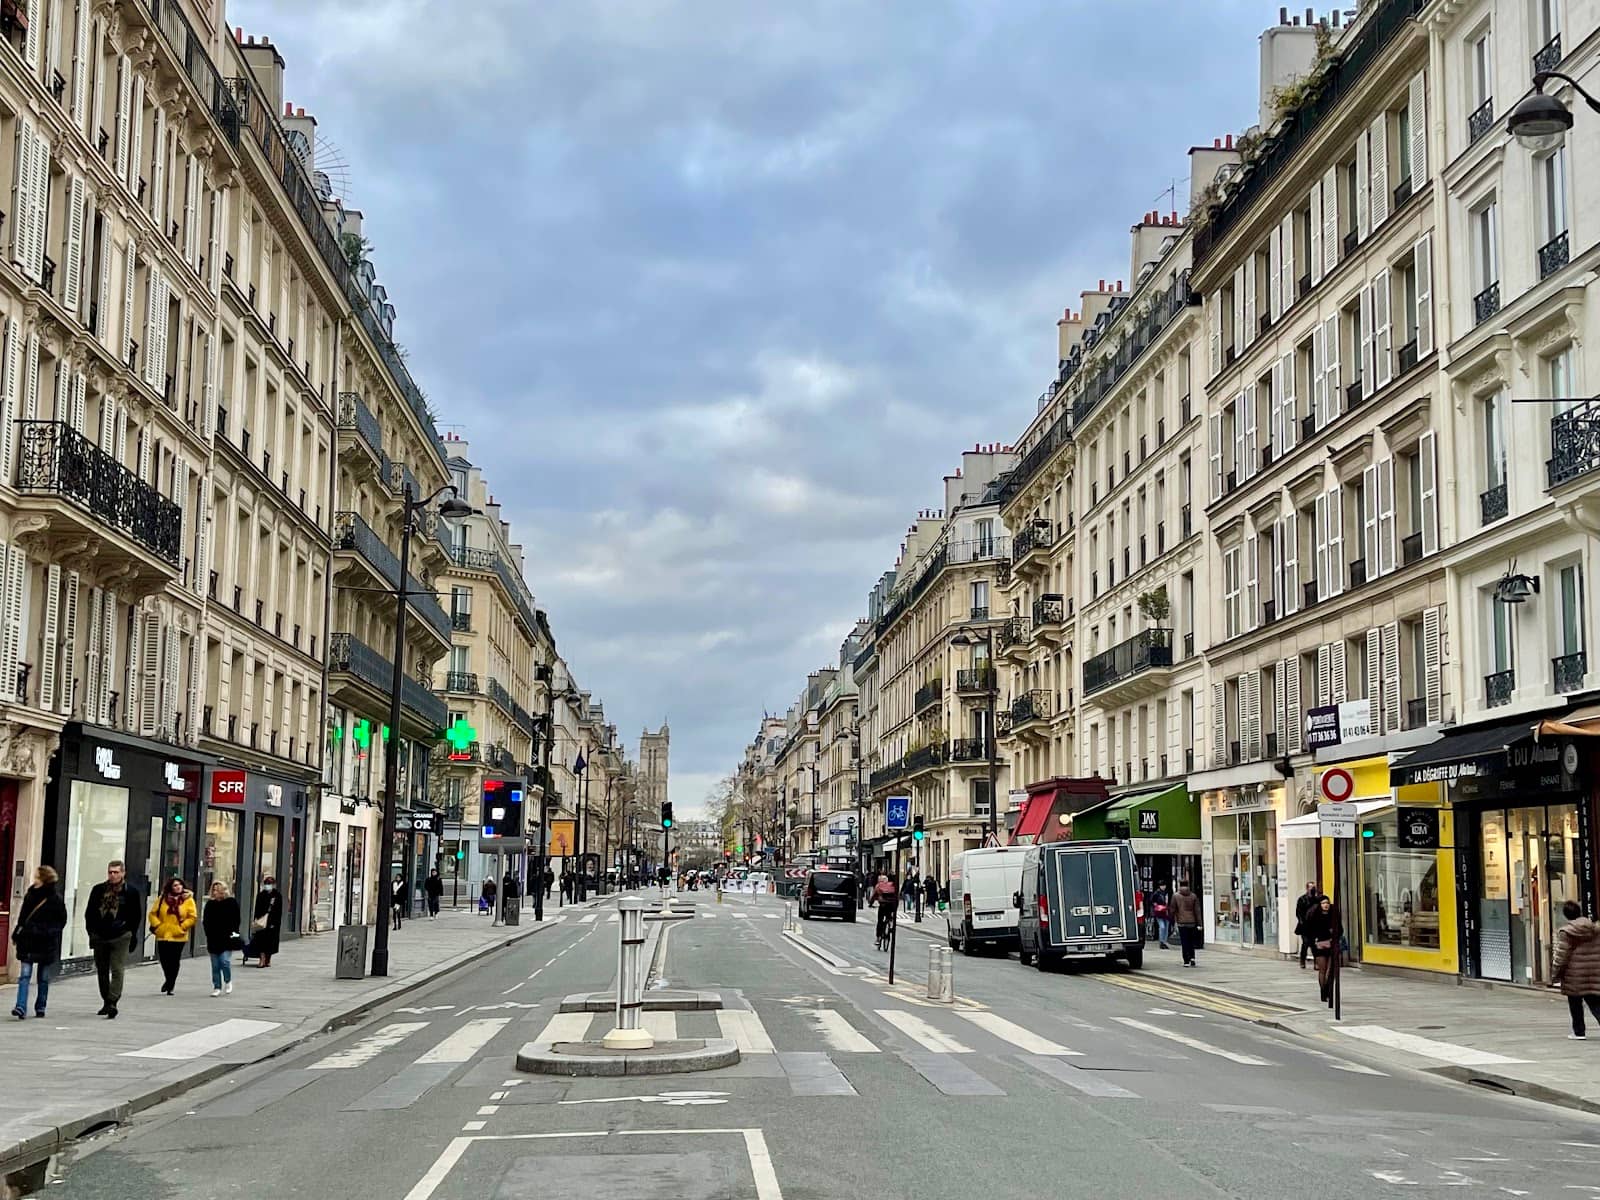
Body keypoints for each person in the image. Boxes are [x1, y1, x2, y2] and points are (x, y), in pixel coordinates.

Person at [85, 860, 141, 1019]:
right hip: (100, 935)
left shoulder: (131, 892)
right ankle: (106, 1000)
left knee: (117, 968)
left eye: (116, 872)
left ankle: (113, 1001)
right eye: (110, 872)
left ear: (123, 873)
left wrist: (131, 933)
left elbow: (136, 915)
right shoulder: (98, 890)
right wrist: (92, 932)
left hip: (121, 935)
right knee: (102, 970)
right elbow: (90, 913)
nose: (113, 875)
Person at [10, 866, 66, 1019]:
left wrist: (47, 931)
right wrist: (17, 933)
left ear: (44, 879)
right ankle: (20, 1006)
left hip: (46, 942)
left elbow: (61, 921)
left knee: (43, 977)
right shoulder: (30, 895)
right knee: (25, 975)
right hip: (28, 940)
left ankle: (40, 1006)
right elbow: (23, 917)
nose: (34, 879)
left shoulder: (55, 899)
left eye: (37, 877)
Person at [1550, 899, 1600, 1040]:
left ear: (1566, 915)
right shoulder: (1595, 929)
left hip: (1574, 974)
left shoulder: (1566, 932)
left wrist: (1555, 974)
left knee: (1575, 1003)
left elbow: (1561, 955)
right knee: (1595, 1003)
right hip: (1594, 971)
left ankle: (1579, 1032)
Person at [148, 877, 198, 995]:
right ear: (170, 887)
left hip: (178, 935)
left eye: (180, 885)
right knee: (164, 959)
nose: (178, 887)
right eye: (175, 885)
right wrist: (158, 925)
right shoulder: (162, 899)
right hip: (163, 934)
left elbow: (192, 917)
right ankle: (168, 979)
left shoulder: (188, 900)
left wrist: (183, 927)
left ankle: (170, 983)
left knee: (174, 960)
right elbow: (153, 914)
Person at [202, 881, 241, 997]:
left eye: (217, 890)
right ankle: (217, 987)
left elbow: (236, 919)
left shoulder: (231, 903)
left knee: (224, 961)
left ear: (223, 891)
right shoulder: (210, 904)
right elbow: (206, 921)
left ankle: (228, 980)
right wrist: (208, 933)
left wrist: (233, 933)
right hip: (213, 938)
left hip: (227, 937)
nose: (215, 892)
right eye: (213, 890)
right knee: (215, 965)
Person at [1303, 893, 1342, 1002]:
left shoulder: (1334, 914)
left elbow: (1340, 929)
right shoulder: (1314, 915)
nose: (1326, 905)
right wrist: (1313, 943)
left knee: (1331, 970)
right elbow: (1308, 932)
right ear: (1319, 904)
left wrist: (1335, 934)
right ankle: (1323, 992)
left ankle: (1328, 990)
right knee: (1322, 970)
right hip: (1319, 946)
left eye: (1327, 903)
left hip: (1331, 944)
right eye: (1323, 903)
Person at [249, 876, 284, 967]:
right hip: (261, 922)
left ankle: (268, 959)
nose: (267, 885)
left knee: (270, 942)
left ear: (273, 885)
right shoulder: (261, 895)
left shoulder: (277, 896)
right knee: (261, 941)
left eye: (269, 884)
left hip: (272, 922)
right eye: (266, 883)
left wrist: (275, 923)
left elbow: (279, 911)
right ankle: (262, 959)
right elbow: (257, 908)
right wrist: (256, 919)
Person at [1171, 878, 1202, 968]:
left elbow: (1172, 909)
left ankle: (1186, 961)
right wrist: (1199, 923)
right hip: (1192, 922)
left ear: (1180, 885)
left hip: (1181, 922)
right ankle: (1192, 958)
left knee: (1184, 942)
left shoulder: (1176, 896)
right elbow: (1197, 911)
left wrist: (1172, 920)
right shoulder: (1193, 896)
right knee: (1191, 941)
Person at [1294, 881, 1320, 969]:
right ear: (1307, 888)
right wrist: (1302, 922)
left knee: (1314, 944)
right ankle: (1302, 960)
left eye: (1314, 887)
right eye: (1311, 887)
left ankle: (1316, 962)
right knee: (1305, 943)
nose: (1312, 889)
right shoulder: (1302, 899)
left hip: (1314, 926)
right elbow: (1298, 913)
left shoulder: (1317, 899)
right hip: (1305, 926)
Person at [869, 872, 898, 945]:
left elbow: (873, 896)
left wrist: (871, 903)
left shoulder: (878, 886)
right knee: (889, 916)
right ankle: (890, 922)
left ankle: (878, 938)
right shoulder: (892, 885)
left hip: (883, 905)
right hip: (891, 905)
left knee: (880, 921)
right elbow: (896, 896)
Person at [1149, 881, 1171, 949]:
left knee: (1166, 927)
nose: (1163, 887)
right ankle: (1161, 942)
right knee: (1162, 927)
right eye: (1162, 885)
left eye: (1164, 885)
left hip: (1166, 912)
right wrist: (1156, 905)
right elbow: (1152, 901)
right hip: (1159, 912)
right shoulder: (1156, 893)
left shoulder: (1167, 893)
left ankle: (1164, 941)